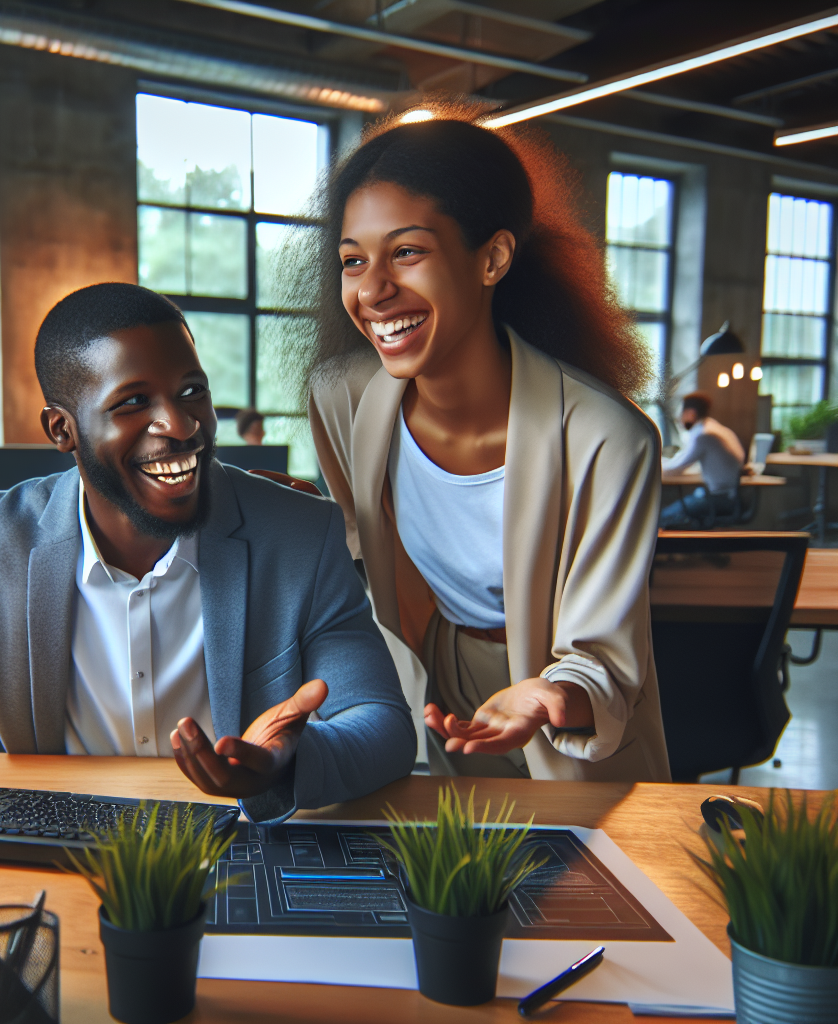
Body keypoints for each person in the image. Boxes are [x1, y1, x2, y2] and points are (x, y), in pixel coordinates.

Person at [0, 283, 416, 825]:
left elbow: (380, 723)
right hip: (59, 845)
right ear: (62, 429)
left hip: (235, 842)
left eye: (191, 392)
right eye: (134, 402)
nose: (181, 425)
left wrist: (284, 764)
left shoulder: (300, 534)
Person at [304, 106, 671, 783]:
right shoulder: (342, 396)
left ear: (493, 257)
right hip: (429, 682)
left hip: (561, 706)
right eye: (354, 260)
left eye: (407, 251)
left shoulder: (606, 439)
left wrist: (551, 695)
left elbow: (605, 655)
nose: (374, 289)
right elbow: (365, 542)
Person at [660, 392, 746, 529]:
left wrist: (653, 465)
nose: (678, 420)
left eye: (680, 415)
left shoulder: (703, 435)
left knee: (661, 517)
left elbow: (676, 468)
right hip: (731, 497)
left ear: (690, 414)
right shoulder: (717, 429)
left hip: (719, 499)